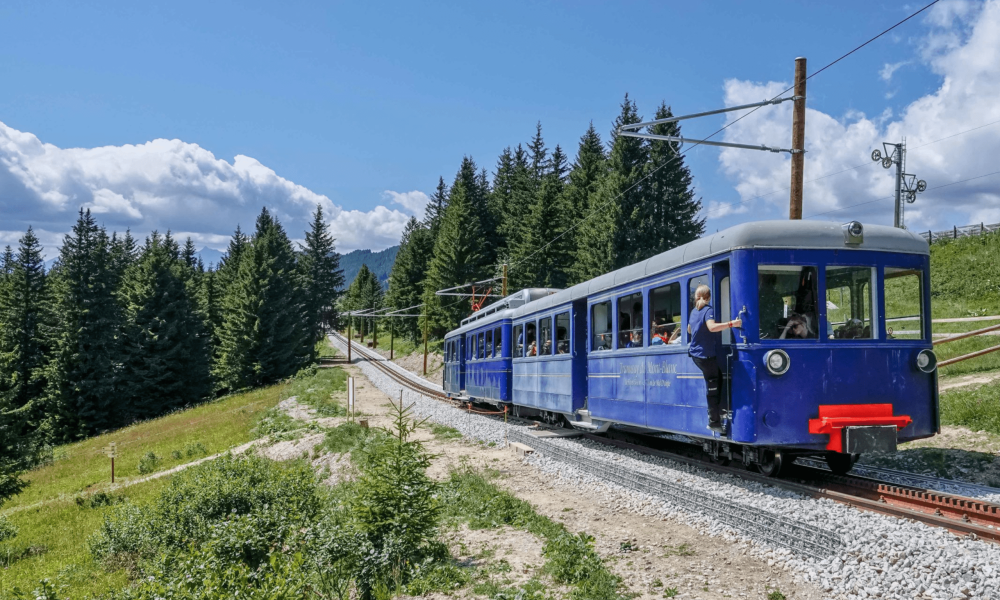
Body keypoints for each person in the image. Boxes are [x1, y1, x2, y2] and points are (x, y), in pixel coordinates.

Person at [688, 284, 741, 432]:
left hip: (696, 353)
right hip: (705, 355)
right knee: (713, 386)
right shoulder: (707, 310)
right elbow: (712, 327)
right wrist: (732, 324)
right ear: (708, 297)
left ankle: (718, 415)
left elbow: (689, 329)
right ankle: (714, 422)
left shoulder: (694, 311)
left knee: (717, 378)